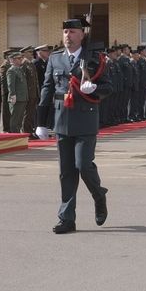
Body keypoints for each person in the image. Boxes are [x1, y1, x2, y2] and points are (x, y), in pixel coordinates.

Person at [36, 17, 112, 234]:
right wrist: (41, 122)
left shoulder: (95, 58)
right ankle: (66, 218)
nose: (68, 36)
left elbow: (109, 87)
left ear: (82, 34)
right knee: (66, 172)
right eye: (65, 32)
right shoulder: (55, 58)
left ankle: (99, 195)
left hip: (85, 117)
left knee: (83, 165)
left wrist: (94, 89)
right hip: (62, 119)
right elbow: (47, 89)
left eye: (72, 32)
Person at [6, 50, 32, 137]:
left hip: (23, 98)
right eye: (18, 58)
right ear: (12, 60)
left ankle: (17, 135)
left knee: (20, 119)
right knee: (15, 119)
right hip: (16, 98)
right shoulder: (11, 70)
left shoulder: (19, 69)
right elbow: (11, 84)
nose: (21, 59)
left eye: (21, 58)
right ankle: (14, 136)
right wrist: (12, 95)